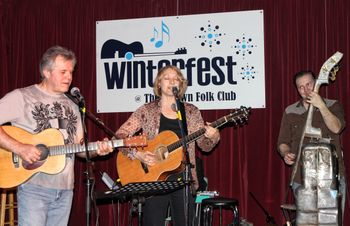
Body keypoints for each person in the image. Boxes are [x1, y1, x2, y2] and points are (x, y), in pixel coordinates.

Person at [0, 45, 112, 226]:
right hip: (33, 188)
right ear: (46, 72)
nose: (69, 77)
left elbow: (80, 148)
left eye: (71, 72)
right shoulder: (23, 97)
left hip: (65, 190)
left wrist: (97, 150)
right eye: (63, 72)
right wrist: (19, 148)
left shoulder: (73, 105)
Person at [114, 65, 220, 226]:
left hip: (183, 179)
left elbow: (204, 146)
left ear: (181, 84)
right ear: (158, 84)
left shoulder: (191, 112)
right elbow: (119, 136)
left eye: (176, 78)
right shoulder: (146, 111)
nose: (172, 81)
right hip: (153, 178)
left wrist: (214, 137)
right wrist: (137, 154)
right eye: (166, 78)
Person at [277, 70, 346, 220]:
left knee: (331, 221)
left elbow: (336, 128)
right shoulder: (290, 111)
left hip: (331, 177)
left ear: (316, 83)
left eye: (308, 84)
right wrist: (285, 153)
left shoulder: (332, 105)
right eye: (300, 87)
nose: (305, 90)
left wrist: (321, 106)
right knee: (306, 221)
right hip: (301, 178)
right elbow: (282, 142)